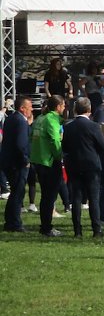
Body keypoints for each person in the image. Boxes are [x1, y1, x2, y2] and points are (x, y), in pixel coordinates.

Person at [61, 97, 104, 238]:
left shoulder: (68, 126)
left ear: (75, 110)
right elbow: (102, 146)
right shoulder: (94, 126)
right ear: (89, 110)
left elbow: (65, 147)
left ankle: (77, 230)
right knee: (93, 197)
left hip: (74, 164)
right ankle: (96, 229)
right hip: (91, 164)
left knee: (76, 197)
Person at [30, 95, 66, 237]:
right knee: (50, 196)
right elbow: (55, 141)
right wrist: (60, 156)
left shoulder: (39, 119)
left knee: (45, 195)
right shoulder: (52, 120)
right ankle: (47, 227)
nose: (64, 108)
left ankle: (45, 225)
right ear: (58, 107)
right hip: (49, 161)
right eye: (63, 106)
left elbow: (31, 136)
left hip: (38, 160)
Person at [2, 96, 33, 233]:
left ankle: (10, 220)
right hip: (17, 163)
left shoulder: (10, 119)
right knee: (18, 193)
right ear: (22, 108)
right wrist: (25, 160)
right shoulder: (21, 121)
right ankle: (14, 222)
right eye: (29, 107)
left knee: (15, 192)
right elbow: (21, 144)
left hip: (8, 161)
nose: (31, 109)